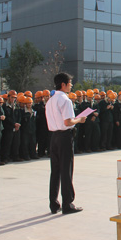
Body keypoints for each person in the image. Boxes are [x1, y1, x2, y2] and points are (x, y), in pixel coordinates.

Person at [46, 72, 86, 214]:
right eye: (69, 83)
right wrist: (80, 119)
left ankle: (53, 203)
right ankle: (68, 203)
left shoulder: (50, 101)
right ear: (63, 84)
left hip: (54, 137)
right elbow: (68, 122)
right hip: (64, 136)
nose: (71, 86)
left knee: (55, 171)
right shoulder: (65, 100)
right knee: (66, 170)